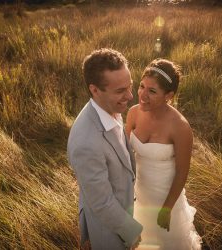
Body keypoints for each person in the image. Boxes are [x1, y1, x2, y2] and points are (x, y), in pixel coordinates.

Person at [67, 48, 143, 250]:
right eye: (120, 91)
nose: (130, 95)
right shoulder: (86, 143)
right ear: (94, 90)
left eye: (130, 86)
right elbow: (101, 203)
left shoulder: (110, 105)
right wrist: (131, 231)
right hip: (110, 231)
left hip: (126, 208)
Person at [126, 59, 202, 250]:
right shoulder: (133, 113)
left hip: (166, 198)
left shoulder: (180, 127)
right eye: (142, 86)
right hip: (139, 193)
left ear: (169, 95)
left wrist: (167, 208)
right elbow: (124, 153)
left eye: (152, 91)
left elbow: (182, 172)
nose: (143, 95)